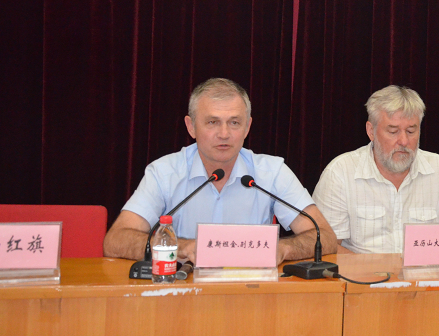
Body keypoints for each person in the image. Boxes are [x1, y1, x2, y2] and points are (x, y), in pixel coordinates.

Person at [103, 78, 337, 264]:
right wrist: (182, 247)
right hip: (182, 291)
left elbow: (324, 237)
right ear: (191, 127)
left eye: (234, 123)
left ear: (247, 127)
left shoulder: (272, 172)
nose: (224, 134)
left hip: (251, 293)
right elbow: (116, 240)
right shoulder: (165, 172)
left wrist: (283, 249)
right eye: (212, 122)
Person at [312, 85, 439, 253]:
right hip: (361, 269)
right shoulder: (340, 173)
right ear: (371, 131)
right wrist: (374, 267)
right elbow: (325, 247)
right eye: (393, 131)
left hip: (425, 269)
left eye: (411, 131)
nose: (404, 141)